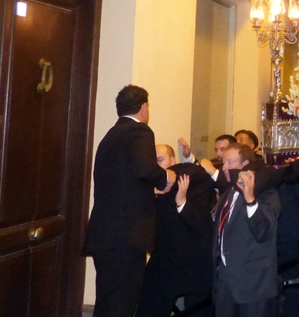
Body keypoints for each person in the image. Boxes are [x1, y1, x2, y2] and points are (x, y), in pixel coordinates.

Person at [83, 84, 176, 317]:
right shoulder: (140, 131)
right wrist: (166, 177)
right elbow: (145, 168)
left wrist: (147, 191)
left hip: (104, 233)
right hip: (127, 235)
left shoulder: (111, 135)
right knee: (122, 304)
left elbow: (122, 181)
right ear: (144, 107)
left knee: (107, 302)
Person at [135, 144, 216, 317]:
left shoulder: (193, 181)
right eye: (153, 161)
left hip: (194, 261)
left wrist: (182, 201)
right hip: (163, 259)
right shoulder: (149, 187)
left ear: (173, 161)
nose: (156, 165)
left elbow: (201, 224)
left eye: (160, 159)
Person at [213, 143, 281, 316]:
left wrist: (250, 200)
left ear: (245, 165)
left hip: (254, 286)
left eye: (230, 162)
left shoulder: (266, 194)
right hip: (226, 283)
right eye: (223, 162)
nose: (224, 167)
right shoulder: (228, 194)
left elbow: (264, 231)